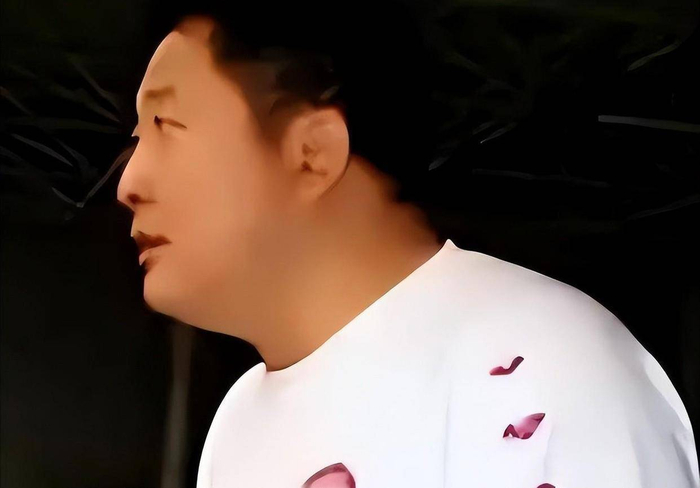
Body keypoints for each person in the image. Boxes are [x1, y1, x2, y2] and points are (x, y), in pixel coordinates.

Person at [115, 3, 699, 487]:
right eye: (138, 138)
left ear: (313, 153)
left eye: (167, 128)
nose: (128, 183)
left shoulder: (544, 368)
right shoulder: (239, 418)